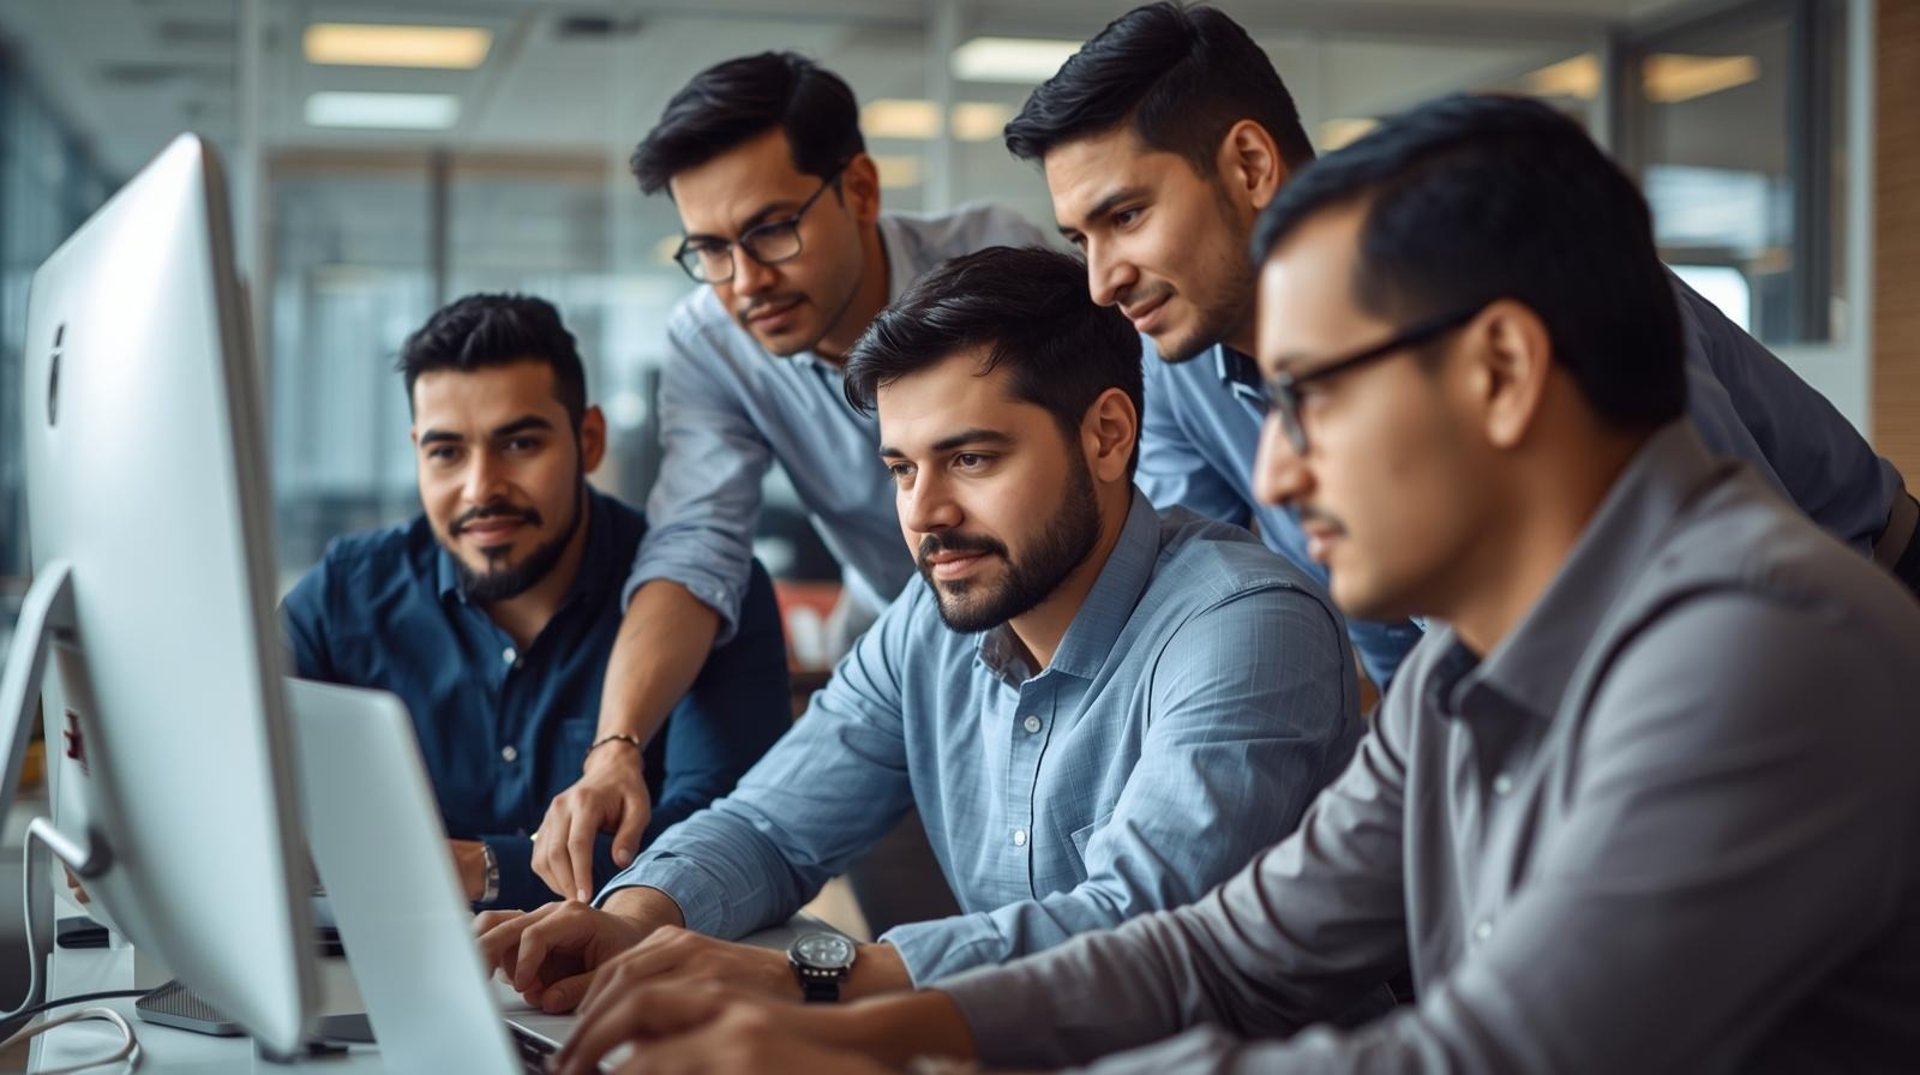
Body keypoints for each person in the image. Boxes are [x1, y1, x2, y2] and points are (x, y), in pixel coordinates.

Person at [543, 94, 1920, 1075]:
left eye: (1315, 393)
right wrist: (869, 1019)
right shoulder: (1460, 665)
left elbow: (1491, 1053)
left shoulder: (1760, 646)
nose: (1275, 460)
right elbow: (1217, 947)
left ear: (1499, 371)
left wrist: (853, 1021)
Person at [474, 245, 1368, 1016]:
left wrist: (810, 979)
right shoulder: (931, 622)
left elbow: (1132, 922)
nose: (925, 513)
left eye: (971, 458)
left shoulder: (1246, 626)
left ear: (1106, 435)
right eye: (902, 467)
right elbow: (770, 826)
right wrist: (632, 924)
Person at [1003, 1, 1919, 689]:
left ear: (1249, 166)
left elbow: (1737, 597)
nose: (1103, 279)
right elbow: (1197, 599)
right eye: (1080, 239)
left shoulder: (1491, 261)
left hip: (1844, 632)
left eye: (1125, 216)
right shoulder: (1180, 362)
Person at [533, 52, 1052, 904]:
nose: (745, 284)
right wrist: (617, 746)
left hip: (1071, 633)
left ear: (860, 190)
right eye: (709, 249)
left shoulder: (1001, 264)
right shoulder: (712, 340)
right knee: (913, 942)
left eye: (772, 229)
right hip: (903, 639)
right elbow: (695, 549)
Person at [282, 293, 792, 911]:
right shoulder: (345, 595)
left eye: (519, 444)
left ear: (590, 440)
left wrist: (481, 868)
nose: (481, 488)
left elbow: (723, 834)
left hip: (630, 975)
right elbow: (248, 784)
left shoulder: (703, 594)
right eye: (446, 452)